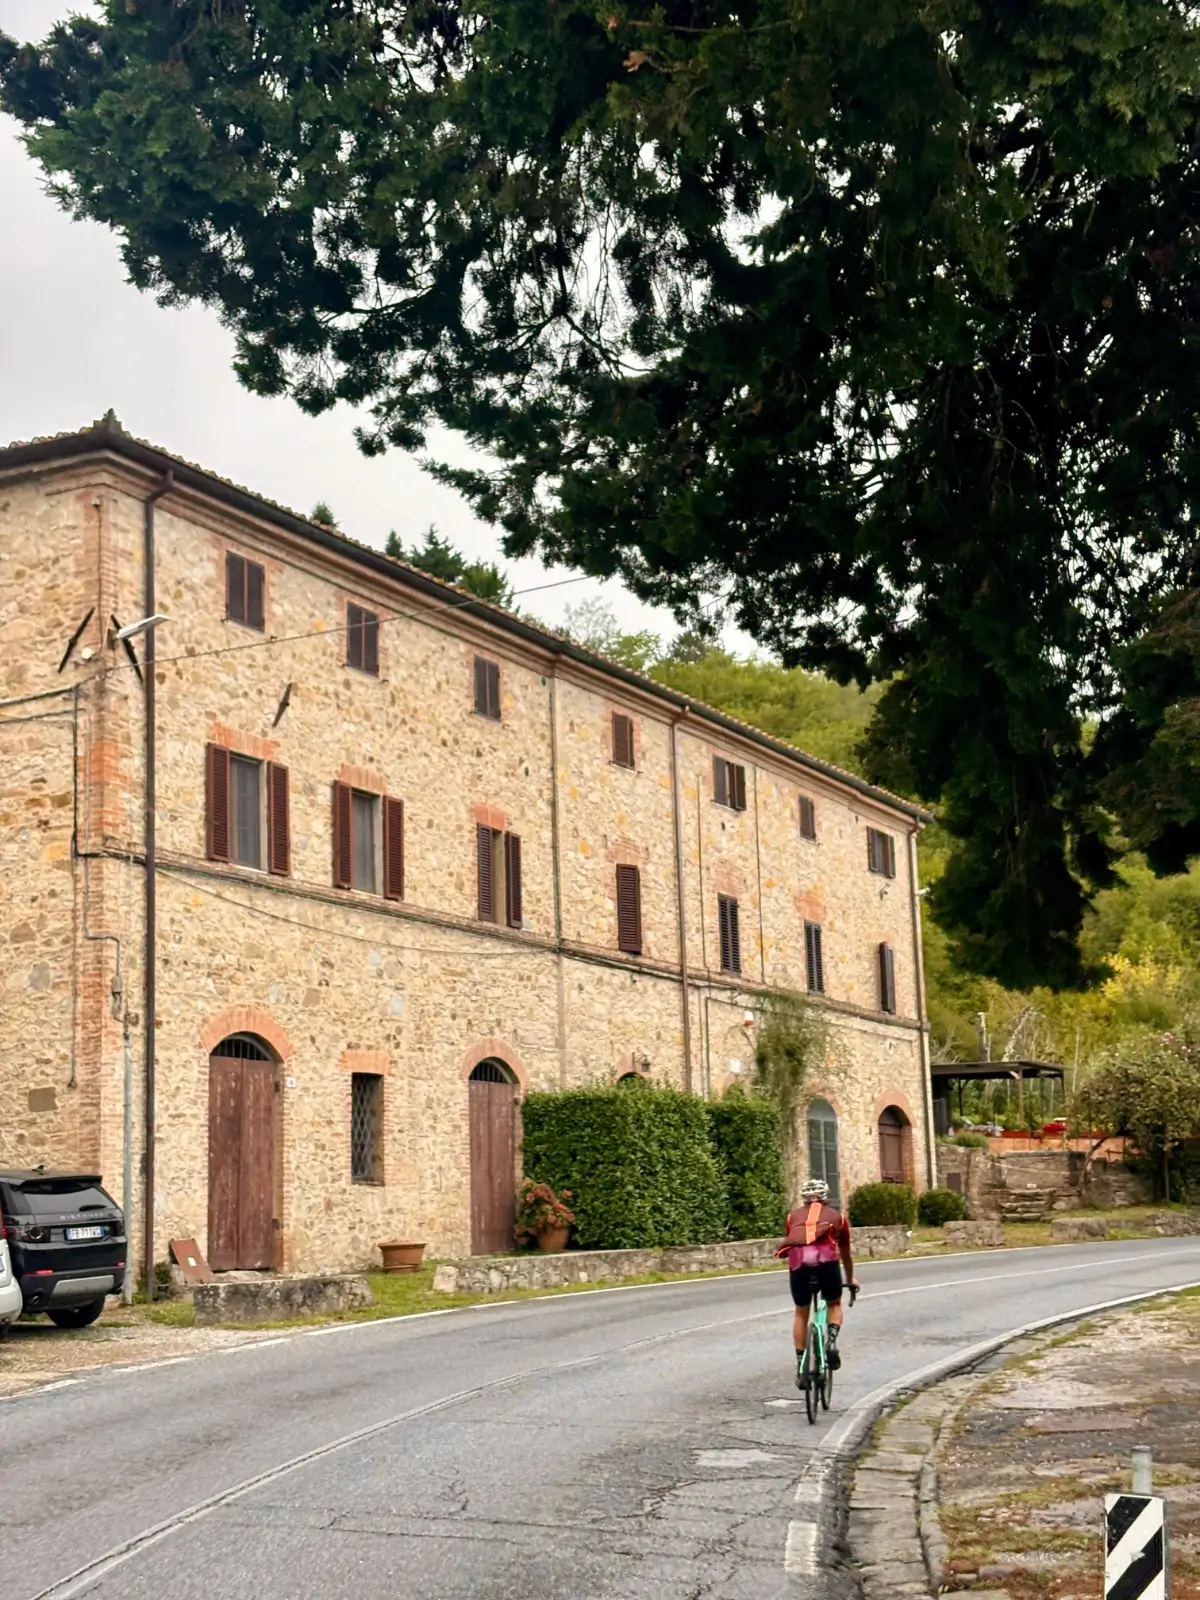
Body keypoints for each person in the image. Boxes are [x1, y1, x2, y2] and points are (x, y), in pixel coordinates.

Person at [776, 1177, 858, 1386]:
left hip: (799, 1266)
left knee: (801, 1312)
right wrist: (850, 1278)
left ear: (804, 1198)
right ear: (825, 1197)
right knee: (834, 1303)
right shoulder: (837, 1217)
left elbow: (792, 1241)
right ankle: (831, 1342)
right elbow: (846, 1253)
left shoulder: (792, 1217)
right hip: (826, 1263)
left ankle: (801, 1365)